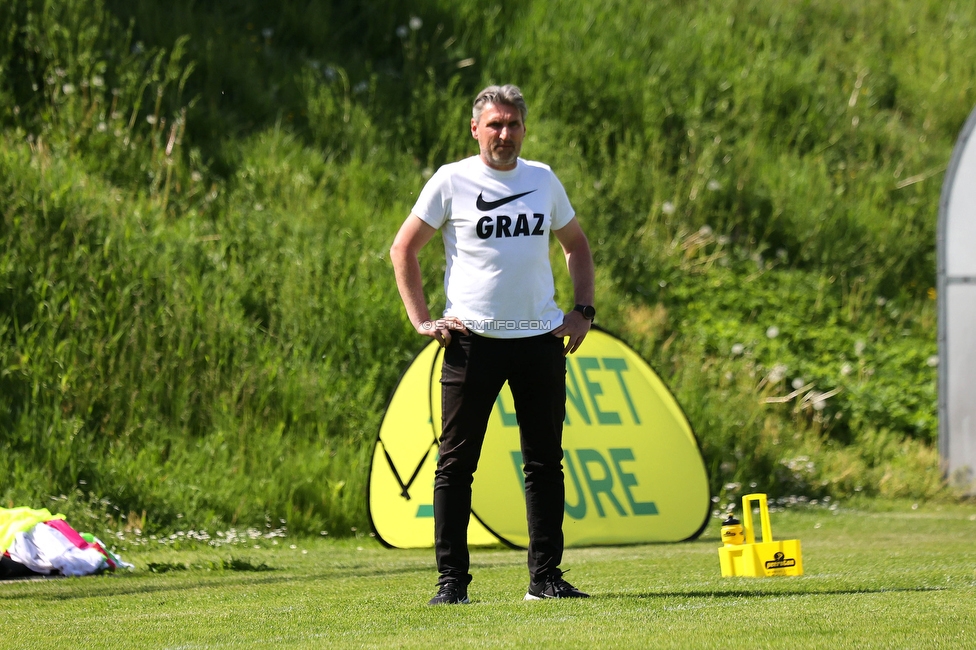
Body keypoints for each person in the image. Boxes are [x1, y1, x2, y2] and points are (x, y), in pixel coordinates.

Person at [390, 84, 596, 605]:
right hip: (471, 342)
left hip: (540, 339)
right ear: (476, 129)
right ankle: (451, 585)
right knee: (456, 465)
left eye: (513, 124)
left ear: (524, 129)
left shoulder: (543, 180)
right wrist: (422, 321)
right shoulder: (451, 180)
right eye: (495, 124)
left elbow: (575, 245)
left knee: (544, 463)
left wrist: (583, 311)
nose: (504, 134)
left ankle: (545, 580)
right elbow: (404, 248)